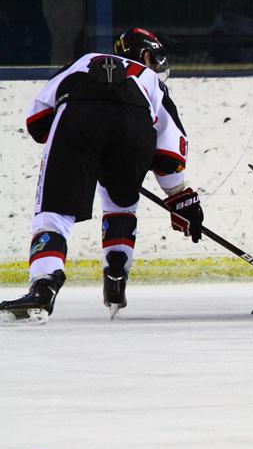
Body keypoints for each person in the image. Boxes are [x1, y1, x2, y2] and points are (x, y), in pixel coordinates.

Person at [0, 28, 203, 323]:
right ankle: (116, 278)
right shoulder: (150, 81)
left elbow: (37, 117)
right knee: (121, 203)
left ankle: (43, 288)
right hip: (134, 124)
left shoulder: (85, 60)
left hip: (78, 117)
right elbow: (170, 148)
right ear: (146, 55)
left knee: (54, 214)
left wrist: (67, 142)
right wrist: (178, 195)